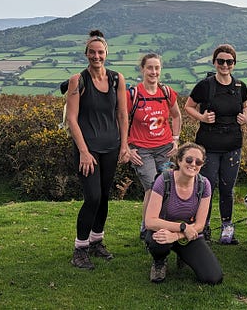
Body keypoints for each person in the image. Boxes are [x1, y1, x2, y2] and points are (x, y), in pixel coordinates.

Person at [66, 30, 129, 270]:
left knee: (103, 197)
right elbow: (72, 120)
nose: (96, 56)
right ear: (86, 54)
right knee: (92, 197)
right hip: (88, 150)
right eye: (92, 52)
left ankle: (96, 241)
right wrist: (83, 151)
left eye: (100, 52)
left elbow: (122, 114)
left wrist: (124, 144)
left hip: (111, 147)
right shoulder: (78, 80)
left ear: (106, 54)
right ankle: (80, 248)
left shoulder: (116, 79)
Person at [184, 44, 247, 244]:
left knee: (227, 188)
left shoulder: (240, 87)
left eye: (229, 62)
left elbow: (245, 107)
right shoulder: (205, 85)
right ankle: (204, 227)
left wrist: (245, 117)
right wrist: (202, 118)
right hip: (208, 146)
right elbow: (188, 106)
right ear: (214, 62)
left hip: (232, 145)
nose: (224, 65)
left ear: (234, 64)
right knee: (207, 187)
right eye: (220, 61)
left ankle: (227, 228)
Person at [144, 142, 223, 284]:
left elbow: (200, 225)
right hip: (165, 229)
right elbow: (150, 221)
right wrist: (183, 227)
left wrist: (178, 235)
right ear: (179, 161)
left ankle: (183, 253)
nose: (193, 164)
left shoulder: (204, 185)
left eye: (198, 162)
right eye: (189, 160)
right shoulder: (164, 180)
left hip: (188, 234)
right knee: (157, 239)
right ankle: (159, 261)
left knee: (213, 277)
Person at [127, 53, 182, 240]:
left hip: (165, 149)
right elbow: (119, 121)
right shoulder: (133, 94)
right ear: (142, 69)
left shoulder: (166, 92)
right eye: (150, 67)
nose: (153, 72)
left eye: (157, 68)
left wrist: (176, 139)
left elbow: (176, 116)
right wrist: (127, 148)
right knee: (152, 188)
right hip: (142, 150)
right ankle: (146, 226)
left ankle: (160, 224)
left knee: (167, 186)